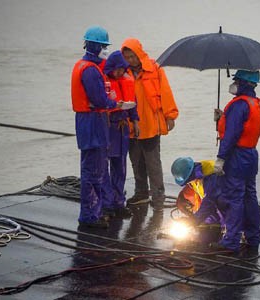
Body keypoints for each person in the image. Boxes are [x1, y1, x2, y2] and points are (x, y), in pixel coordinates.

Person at [70, 25, 129, 228]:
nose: (104, 49)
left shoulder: (83, 65)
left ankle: (92, 212)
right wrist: (115, 103)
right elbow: (99, 99)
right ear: (94, 45)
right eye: (102, 45)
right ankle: (89, 216)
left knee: (92, 168)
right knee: (93, 170)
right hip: (92, 122)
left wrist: (107, 101)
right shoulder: (90, 70)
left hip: (88, 121)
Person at [121, 38, 179, 211]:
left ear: (139, 54)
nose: (130, 60)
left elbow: (165, 92)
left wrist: (170, 116)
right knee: (136, 161)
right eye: (127, 57)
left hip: (151, 126)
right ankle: (141, 193)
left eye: (132, 56)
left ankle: (158, 195)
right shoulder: (122, 72)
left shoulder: (155, 69)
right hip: (132, 126)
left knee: (153, 163)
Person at [213, 70, 260, 253]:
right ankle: (253, 236)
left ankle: (232, 241)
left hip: (236, 156)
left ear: (244, 82)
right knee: (249, 197)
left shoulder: (239, 105)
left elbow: (231, 135)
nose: (233, 83)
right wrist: (222, 118)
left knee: (234, 198)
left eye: (236, 79)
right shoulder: (258, 104)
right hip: (251, 154)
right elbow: (246, 127)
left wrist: (221, 157)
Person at [102, 50, 140, 218]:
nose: (120, 73)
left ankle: (119, 202)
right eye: (118, 70)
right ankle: (106, 204)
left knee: (120, 167)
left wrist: (136, 122)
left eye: (122, 70)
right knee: (104, 167)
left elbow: (133, 104)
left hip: (123, 128)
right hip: (108, 127)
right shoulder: (103, 81)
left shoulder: (127, 81)